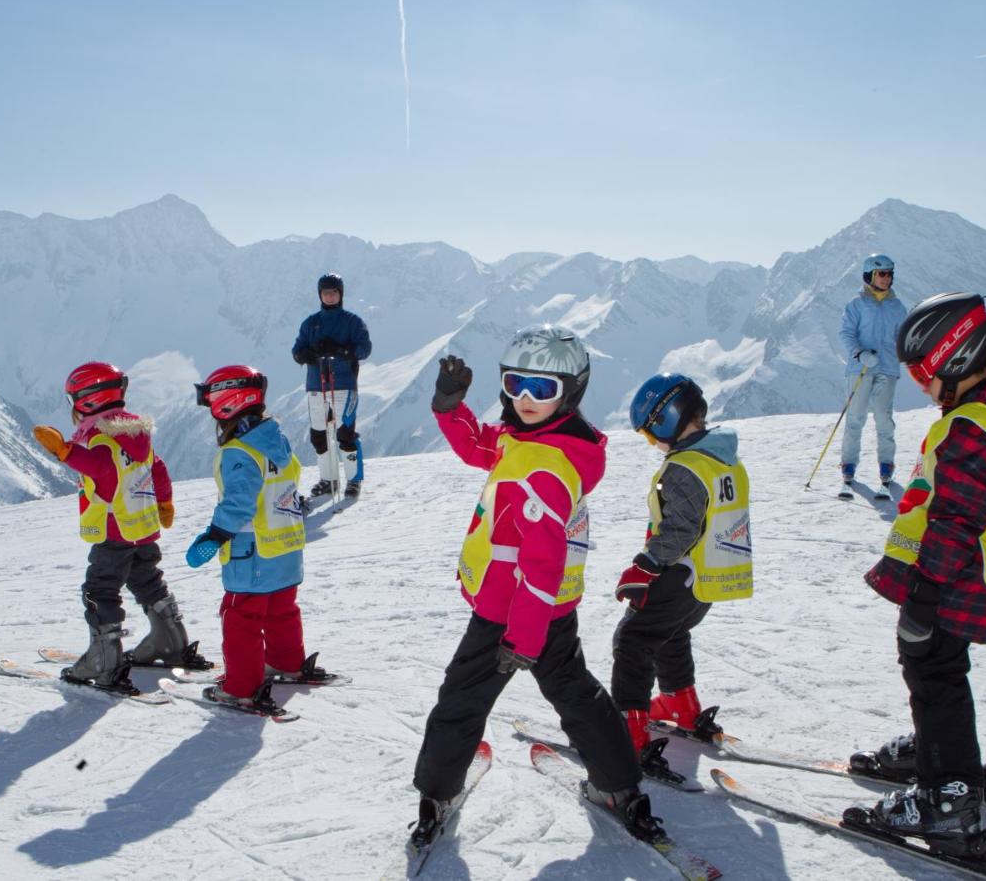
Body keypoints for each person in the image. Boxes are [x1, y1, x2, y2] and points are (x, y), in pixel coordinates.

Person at [411, 324, 659, 848]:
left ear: (571, 391)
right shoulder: (540, 440)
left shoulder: (544, 467)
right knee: (575, 691)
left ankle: (437, 791)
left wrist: (521, 639)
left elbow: (542, 563)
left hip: (511, 611)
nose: (525, 399)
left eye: (542, 388)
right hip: (550, 608)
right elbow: (483, 446)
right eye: (515, 384)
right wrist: (450, 409)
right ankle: (618, 785)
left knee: (461, 698)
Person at [857, 292, 986, 847]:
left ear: (954, 356)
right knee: (941, 670)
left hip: (953, 580)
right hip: (976, 575)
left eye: (923, 373)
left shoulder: (972, 427)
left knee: (932, 673)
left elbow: (954, 520)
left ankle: (945, 799)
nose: (921, 386)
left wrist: (923, 593)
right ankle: (942, 757)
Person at [32, 361, 212, 692]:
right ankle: (170, 641)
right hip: (141, 526)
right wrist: (164, 503)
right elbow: (157, 467)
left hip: (114, 526)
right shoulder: (134, 434)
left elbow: (102, 469)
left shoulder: (102, 437)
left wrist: (65, 451)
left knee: (100, 590)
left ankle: (104, 660)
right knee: (146, 579)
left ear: (87, 399)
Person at [617, 374, 753, 771]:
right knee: (670, 633)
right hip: (710, 578)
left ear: (668, 418)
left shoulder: (683, 467)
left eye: (650, 434)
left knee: (633, 639)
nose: (653, 443)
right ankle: (681, 704)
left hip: (681, 572)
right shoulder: (723, 458)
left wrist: (645, 566)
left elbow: (681, 529)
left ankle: (628, 731)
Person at [188, 365, 328, 711]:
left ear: (226, 401)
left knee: (241, 616)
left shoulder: (239, 452)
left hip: (252, 549)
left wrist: (214, 536)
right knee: (281, 609)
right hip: (286, 545)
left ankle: (241, 687)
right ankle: (285, 663)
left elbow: (240, 503)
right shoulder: (275, 439)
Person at [291, 273, 372, 500]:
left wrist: (342, 350)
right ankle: (328, 480)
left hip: (344, 385)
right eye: (325, 293)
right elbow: (296, 350)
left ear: (341, 294)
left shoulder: (352, 321)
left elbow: (365, 349)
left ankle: (353, 480)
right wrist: (305, 355)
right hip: (316, 386)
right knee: (319, 435)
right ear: (320, 295)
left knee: (345, 434)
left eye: (333, 292)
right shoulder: (310, 323)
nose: (329, 296)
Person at [838, 253, 908, 500]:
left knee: (884, 419)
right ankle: (848, 467)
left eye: (890, 274)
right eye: (882, 274)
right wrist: (859, 353)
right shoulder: (856, 304)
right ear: (869, 275)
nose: (887, 278)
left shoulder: (897, 307)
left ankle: (886, 467)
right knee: (855, 418)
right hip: (861, 369)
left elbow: (903, 337)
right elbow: (846, 333)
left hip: (887, 369)